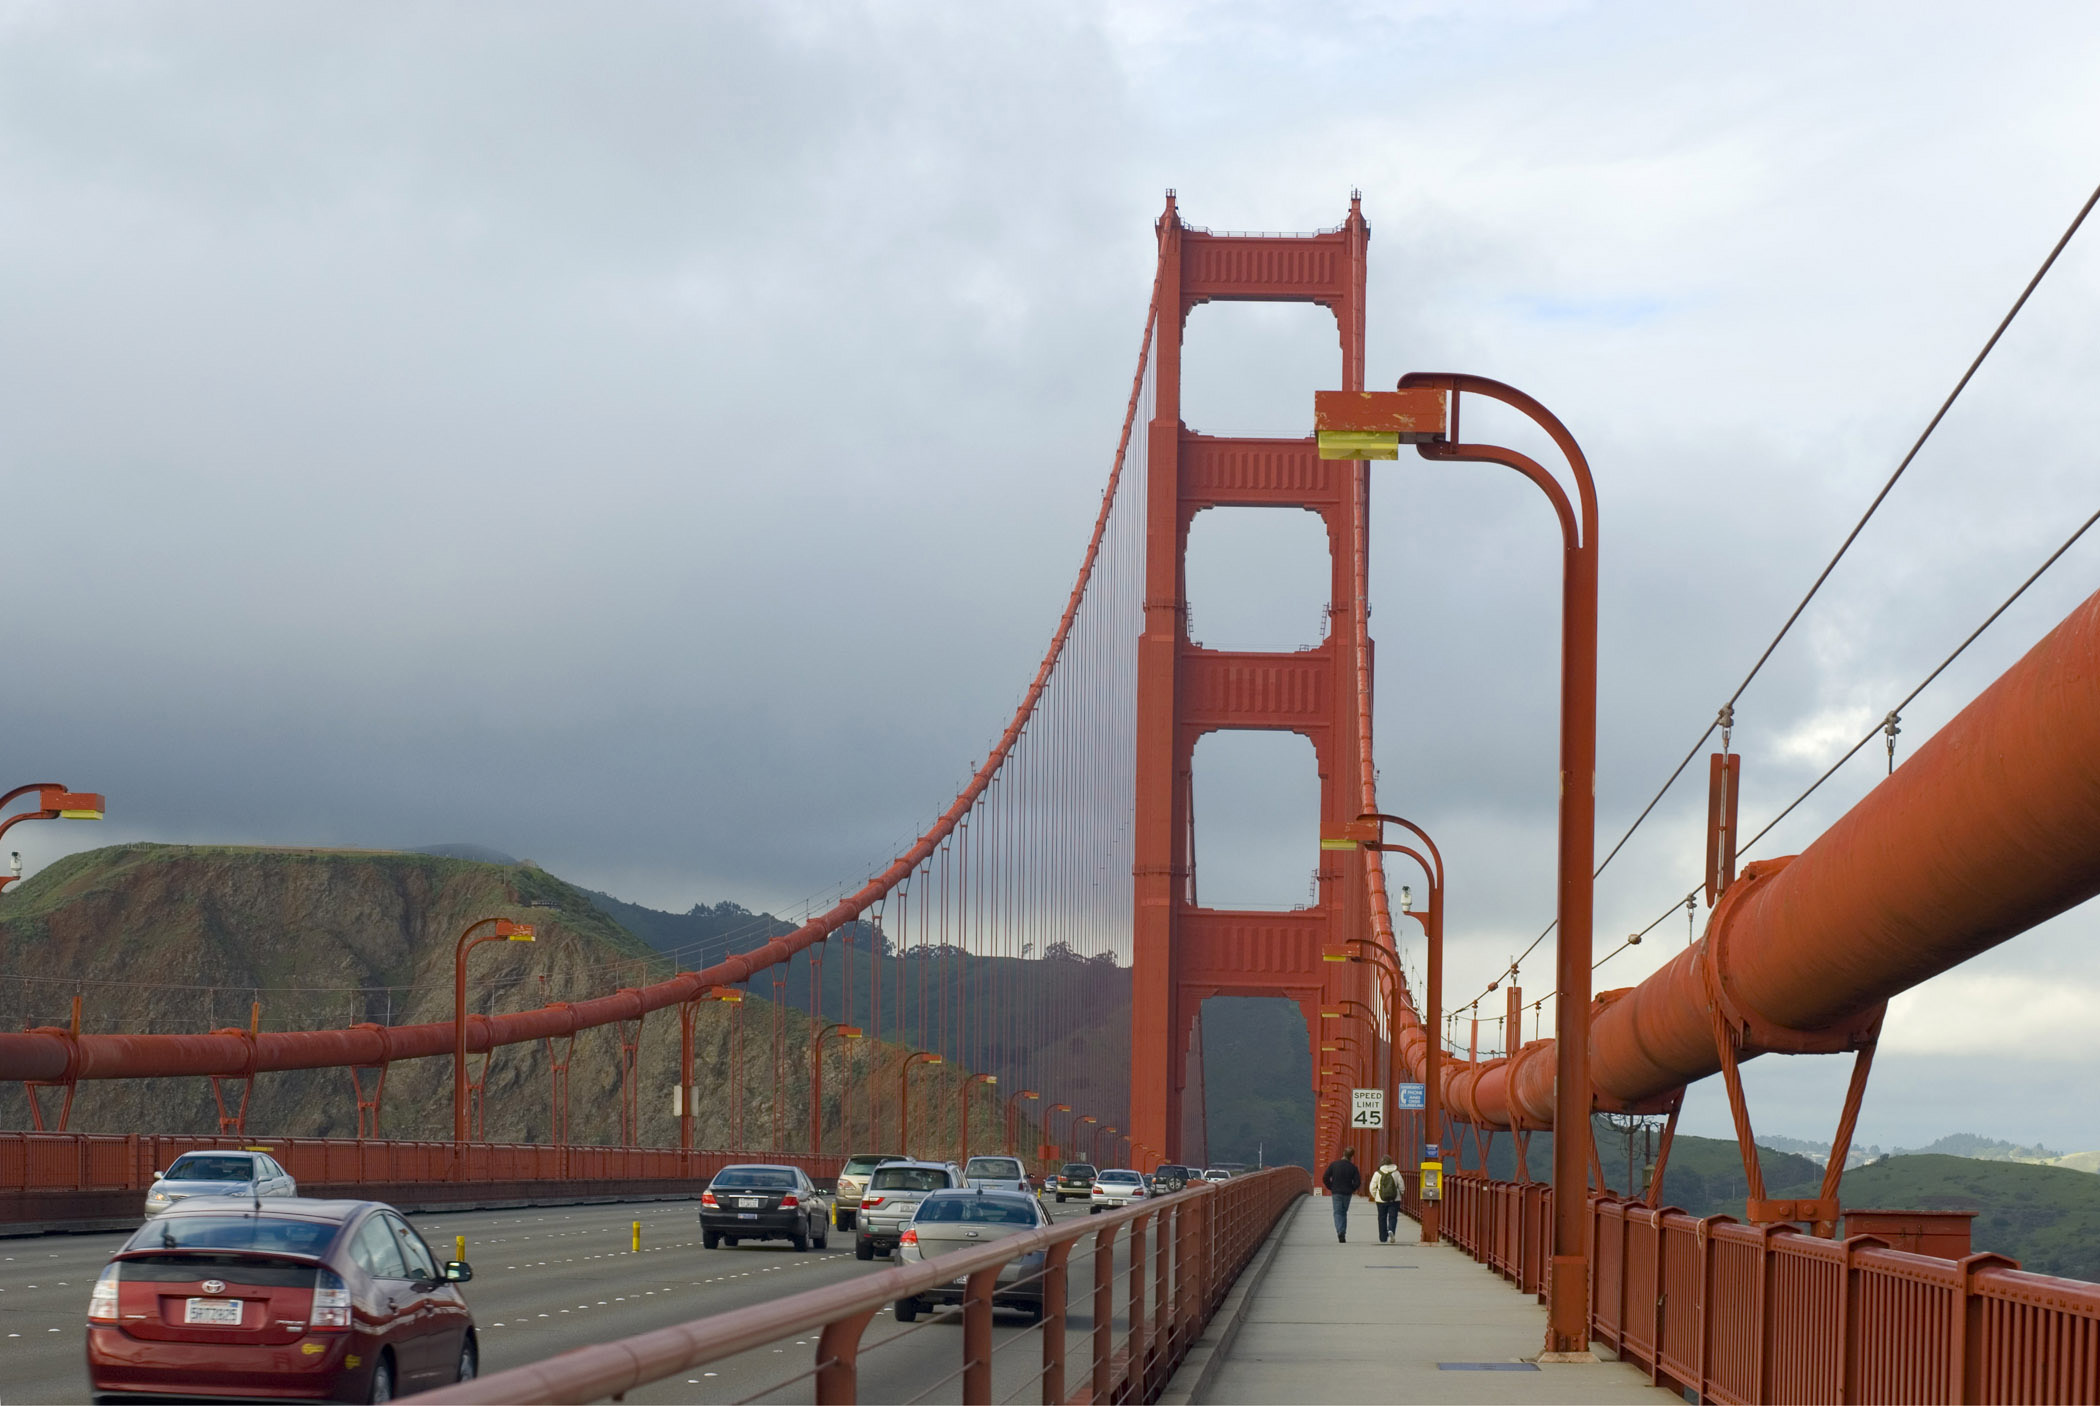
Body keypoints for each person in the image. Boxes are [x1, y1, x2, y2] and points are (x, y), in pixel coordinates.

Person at [1320, 1147, 1361, 1242]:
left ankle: (1340, 1231)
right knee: (1343, 1212)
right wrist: (1352, 1188)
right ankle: (1342, 1232)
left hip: (1336, 1192)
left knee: (1338, 1212)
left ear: (1343, 1153)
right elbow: (1357, 1182)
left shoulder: (1334, 1165)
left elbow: (1325, 1177)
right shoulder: (1353, 1167)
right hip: (1347, 1193)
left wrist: (1331, 1187)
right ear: (1352, 1156)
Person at [1367, 1153, 1403, 1243]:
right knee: (1393, 1217)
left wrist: (1376, 1196)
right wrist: (1401, 1193)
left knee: (1382, 1218)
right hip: (1394, 1199)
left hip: (1381, 1199)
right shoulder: (1396, 1172)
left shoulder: (1377, 1173)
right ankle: (1391, 1230)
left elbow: (1372, 1187)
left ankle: (1383, 1238)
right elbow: (1401, 1186)